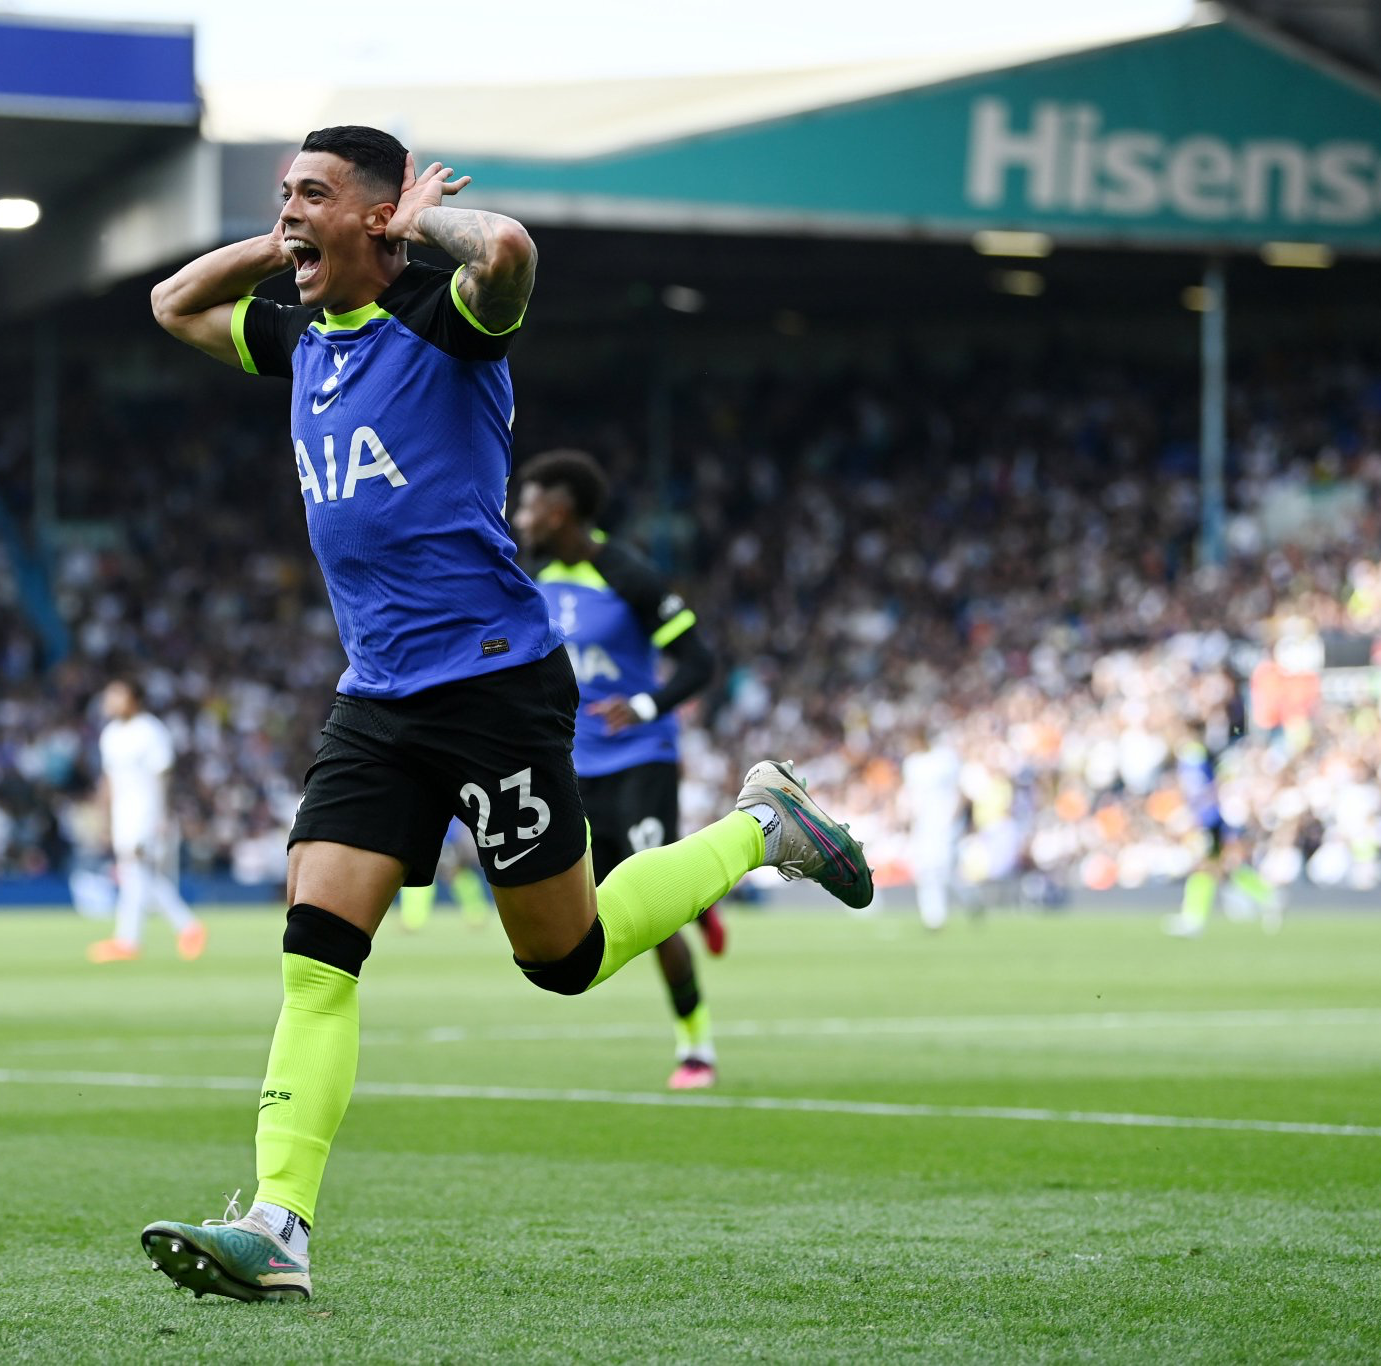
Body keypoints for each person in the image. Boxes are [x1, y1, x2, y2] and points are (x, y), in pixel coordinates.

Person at [140, 124, 872, 1303]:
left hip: (490, 685)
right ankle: (280, 1222)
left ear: (376, 219)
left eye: (309, 194)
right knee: (317, 961)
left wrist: (411, 225)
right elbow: (174, 301)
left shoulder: (443, 321)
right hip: (375, 698)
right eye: (281, 193)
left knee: (564, 957)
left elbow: (512, 251)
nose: (286, 211)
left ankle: (760, 826)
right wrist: (289, 242)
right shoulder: (299, 336)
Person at [512, 448, 727, 1089]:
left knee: (655, 917)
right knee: (595, 912)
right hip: (575, 769)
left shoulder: (628, 575)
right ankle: (698, 897)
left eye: (528, 503)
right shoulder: (530, 578)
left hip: (641, 760)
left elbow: (698, 662)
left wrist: (642, 703)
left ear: (560, 510)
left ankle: (697, 1048)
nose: (518, 516)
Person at [87, 679, 207, 963]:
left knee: (135, 870)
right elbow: (109, 780)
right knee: (134, 874)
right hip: (122, 814)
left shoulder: (150, 730)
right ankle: (169, 931)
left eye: (117, 695)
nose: (110, 701)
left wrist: (163, 815)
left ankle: (138, 937)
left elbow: (162, 775)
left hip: (146, 811)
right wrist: (103, 817)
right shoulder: (110, 734)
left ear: (134, 699)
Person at [1166, 728, 1281, 937]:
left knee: (1205, 868)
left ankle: (1193, 919)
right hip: (1211, 818)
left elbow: (1201, 789)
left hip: (1209, 819)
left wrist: (1194, 817)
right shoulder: (1194, 754)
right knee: (1221, 867)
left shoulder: (1192, 755)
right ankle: (1268, 897)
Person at [900, 727, 965, 931]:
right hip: (923, 826)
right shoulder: (911, 764)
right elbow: (912, 797)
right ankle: (934, 918)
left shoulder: (945, 759)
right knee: (926, 871)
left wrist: (954, 818)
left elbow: (960, 791)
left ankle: (971, 899)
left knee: (944, 870)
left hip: (945, 823)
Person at [395, 820, 491, 930]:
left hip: (450, 842)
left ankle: (477, 915)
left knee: (460, 876)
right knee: (420, 879)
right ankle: (411, 919)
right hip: (431, 840)